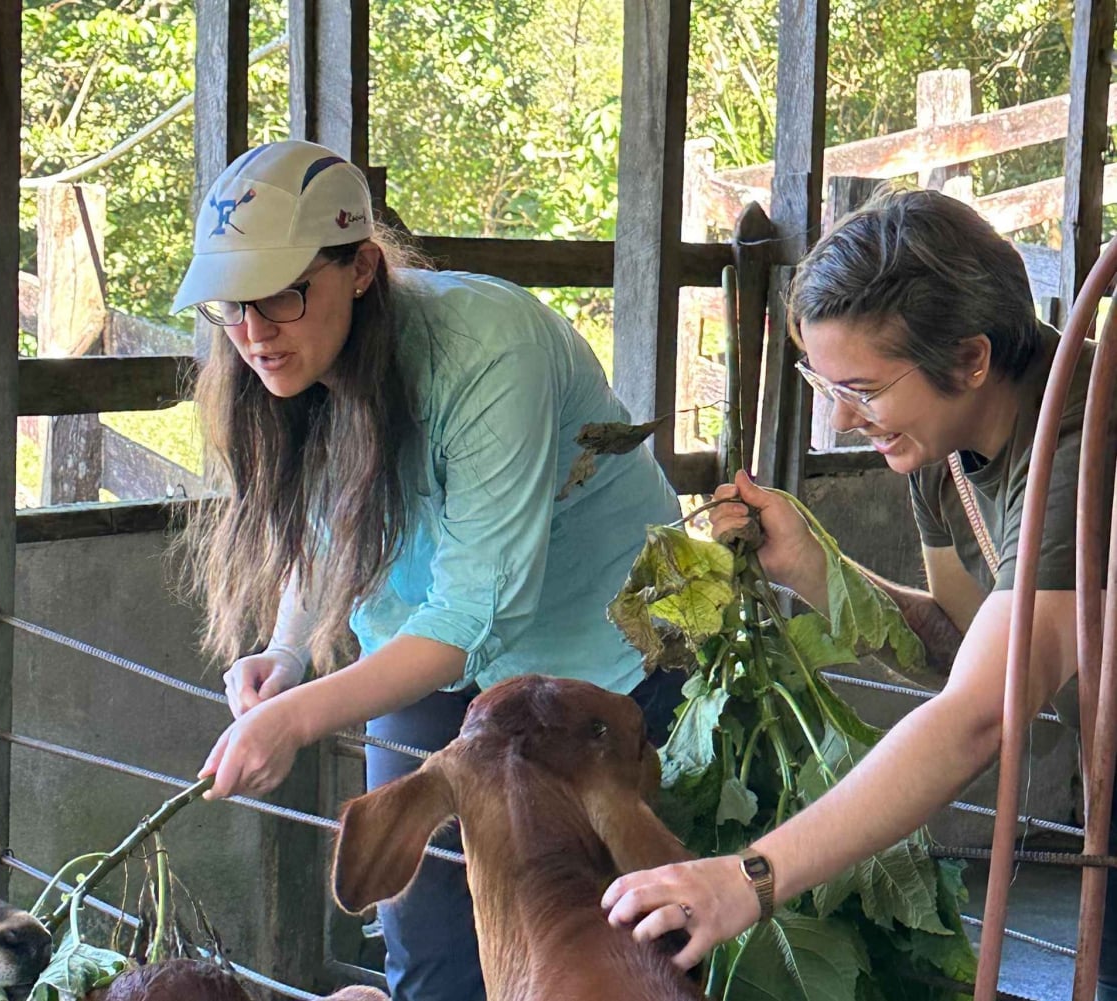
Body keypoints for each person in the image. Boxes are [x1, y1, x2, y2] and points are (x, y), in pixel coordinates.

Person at [170, 139, 685, 1001]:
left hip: (601, 658)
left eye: (285, 295)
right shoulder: (287, 367)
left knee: (625, 936)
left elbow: (469, 614)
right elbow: (331, 523)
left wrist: (294, 720)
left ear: (362, 268)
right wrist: (290, 651)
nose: (254, 334)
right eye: (232, 306)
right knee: (433, 947)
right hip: (422, 653)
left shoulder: (487, 351)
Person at [602, 188, 1110, 989]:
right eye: (824, 382)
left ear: (971, 358)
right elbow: (960, 643)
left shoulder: (1085, 432)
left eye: (864, 390)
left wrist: (750, 877)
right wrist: (813, 566)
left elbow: (982, 713)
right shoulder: (939, 441)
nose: (840, 420)